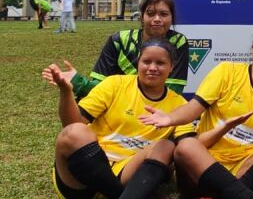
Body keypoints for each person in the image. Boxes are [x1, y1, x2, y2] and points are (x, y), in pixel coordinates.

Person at [139, 26, 253, 199]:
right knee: (186, 146)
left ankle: (233, 194)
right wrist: (170, 118)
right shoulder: (227, 71)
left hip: (245, 167)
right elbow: (193, 108)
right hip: (206, 162)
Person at [42, 40, 194, 199]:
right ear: (138, 63)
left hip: (126, 172)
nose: (152, 68)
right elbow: (71, 125)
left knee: (166, 146)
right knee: (74, 132)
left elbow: (188, 147)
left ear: (172, 67)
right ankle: (120, 194)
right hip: (81, 177)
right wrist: (66, 92)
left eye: (161, 63)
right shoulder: (115, 84)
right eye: (146, 61)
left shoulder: (180, 105)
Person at [58, 0, 189, 98]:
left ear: (172, 18)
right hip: (115, 108)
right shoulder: (119, 40)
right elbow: (98, 89)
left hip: (158, 114)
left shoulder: (177, 42)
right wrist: (78, 83)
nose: (157, 19)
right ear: (142, 17)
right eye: (150, 13)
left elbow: (173, 93)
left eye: (164, 14)